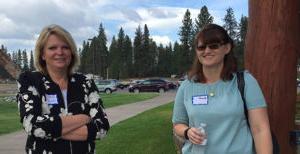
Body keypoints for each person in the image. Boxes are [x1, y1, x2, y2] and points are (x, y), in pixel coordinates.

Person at [172, 24, 272, 154]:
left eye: (213, 45)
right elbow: (178, 124)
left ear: (227, 48)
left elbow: (260, 129)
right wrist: (187, 132)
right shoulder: (186, 86)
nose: (207, 51)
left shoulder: (245, 82)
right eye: (201, 47)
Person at [16, 24, 110, 154]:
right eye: (52, 48)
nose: (59, 52)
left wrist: (50, 130)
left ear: (71, 52)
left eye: (65, 47)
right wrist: (83, 119)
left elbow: (102, 127)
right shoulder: (30, 81)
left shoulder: (85, 83)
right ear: (43, 54)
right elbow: (32, 124)